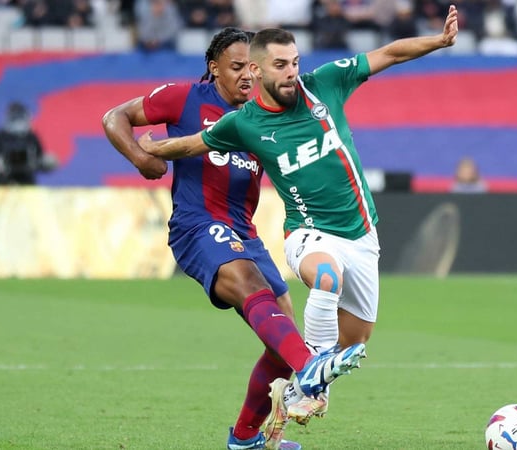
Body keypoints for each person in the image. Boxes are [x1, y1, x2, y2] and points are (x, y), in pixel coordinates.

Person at [137, 2, 459, 429]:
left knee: (355, 341)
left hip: (362, 235)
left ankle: (287, 397)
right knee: (326, 277)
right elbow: (193, 143)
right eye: (280, 65)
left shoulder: (326, 84)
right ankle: (312, 384)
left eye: (294, 62)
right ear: (257, 70)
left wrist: (439, 40)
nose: (291, 72)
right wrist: (151, 149)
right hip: (308, 233)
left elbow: (390, 53)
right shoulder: (244, 123)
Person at [101, 27, 366, 450]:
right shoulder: (184, 98)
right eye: (236, 66)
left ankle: (245, 439)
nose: (246, 75)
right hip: (197, 226)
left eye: (251, 67)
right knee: (250, 286)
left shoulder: (261, 117)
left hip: (245, 234)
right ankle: (311, 369)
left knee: (281, 335)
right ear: (214, 68)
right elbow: (113, 117)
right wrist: (138, 157)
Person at [0, 102, 57, 185]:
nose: (18, 122)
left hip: (27, 181)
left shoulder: (31, 136)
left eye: (20, 116)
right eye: (15, 117)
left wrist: (47, 163)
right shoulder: (2, 136)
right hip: (3, 181)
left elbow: (41, 158)